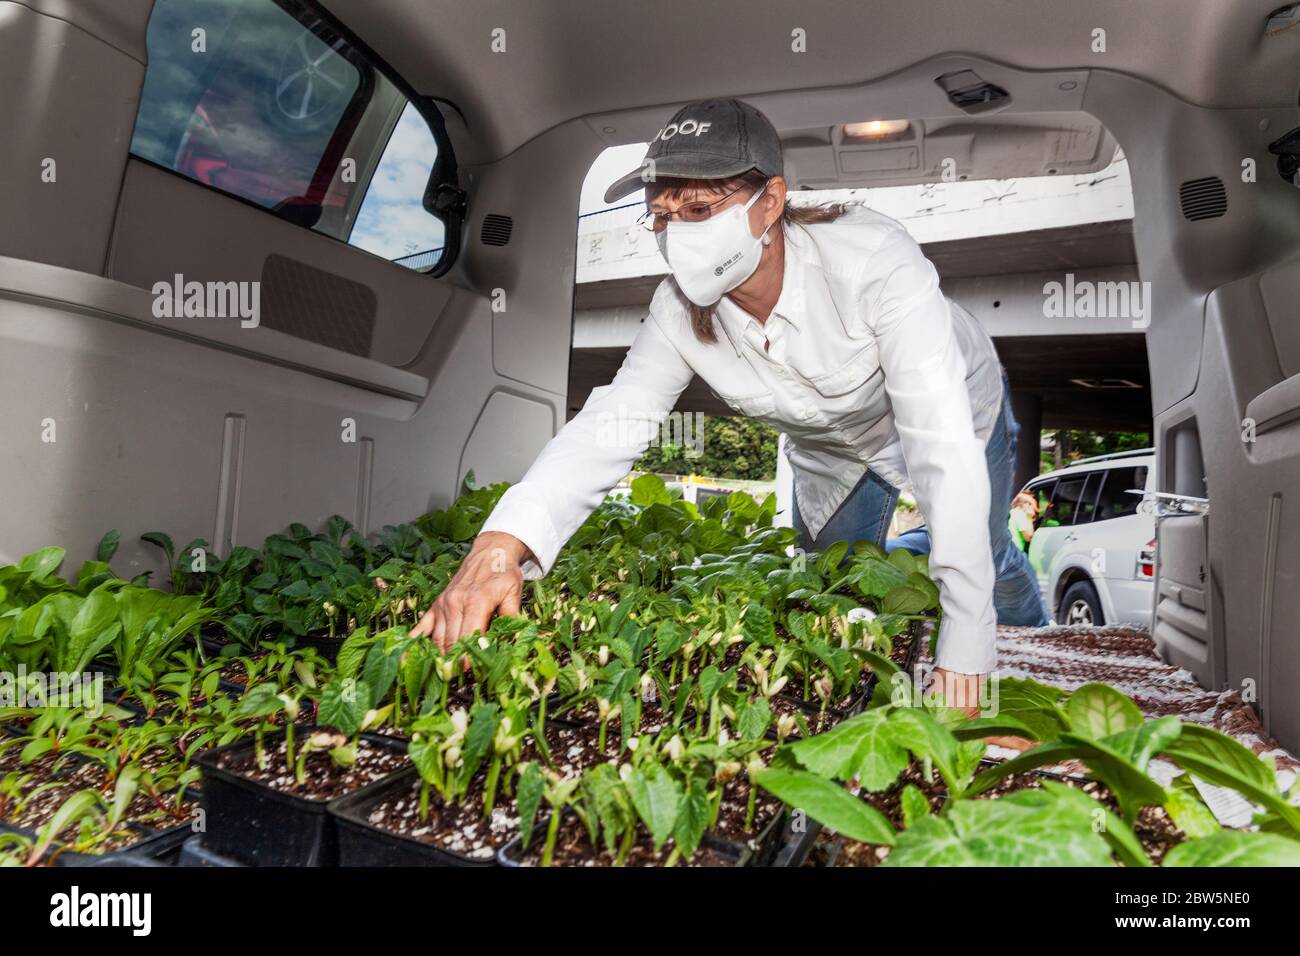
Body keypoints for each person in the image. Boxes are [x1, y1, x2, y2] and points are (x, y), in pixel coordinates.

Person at [412, 98, 1049, 713]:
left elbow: (938, 441)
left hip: (959, 408)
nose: (674, 233)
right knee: (837, 585)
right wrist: (497, 548)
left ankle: (1042, 652)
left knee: (979, 548)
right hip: (830, 450)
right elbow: (612, 423)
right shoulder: (675, 312)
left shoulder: (874, 261)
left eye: (696, 208)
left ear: (768, 202)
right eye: (661, 215)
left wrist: (965, 655)